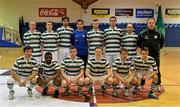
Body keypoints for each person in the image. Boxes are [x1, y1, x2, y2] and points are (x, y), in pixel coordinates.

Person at [137, 18, 164, 91]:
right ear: (147, 24)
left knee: (157, 69)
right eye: (149, 23)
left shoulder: (159, 33)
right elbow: (139, 44)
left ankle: (158, 84)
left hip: (155, 55)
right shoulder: (142, 33)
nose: (151, 24)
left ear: (155, 24)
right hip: (145, 56)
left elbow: (161, 44)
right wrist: (143, 52)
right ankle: (142, 85)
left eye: (152, 23)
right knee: (143, 69)